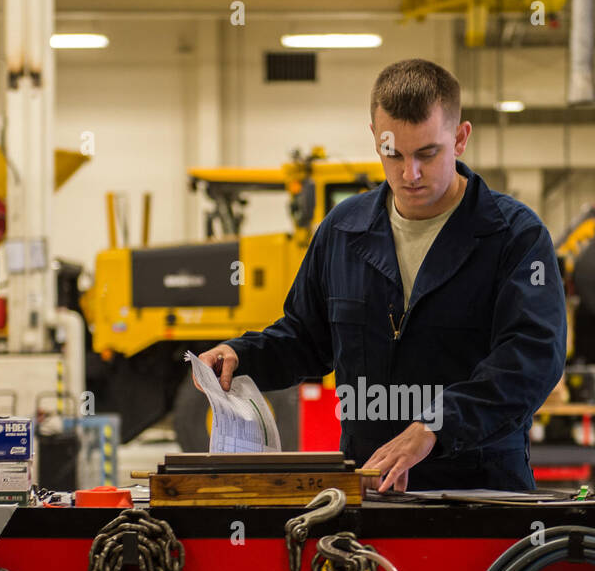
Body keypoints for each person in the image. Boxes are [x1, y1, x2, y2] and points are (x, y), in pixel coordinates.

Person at [198, 58, 566, 492]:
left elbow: (532, 358)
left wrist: (436, 426)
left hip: (481, 492)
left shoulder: (514, 236)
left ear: (460, 138)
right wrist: (243, 355)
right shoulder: (343, 230)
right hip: (370, 488)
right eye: (393, 153)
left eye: (427, 154)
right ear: (375, 138)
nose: (409, 173)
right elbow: (306, 338)